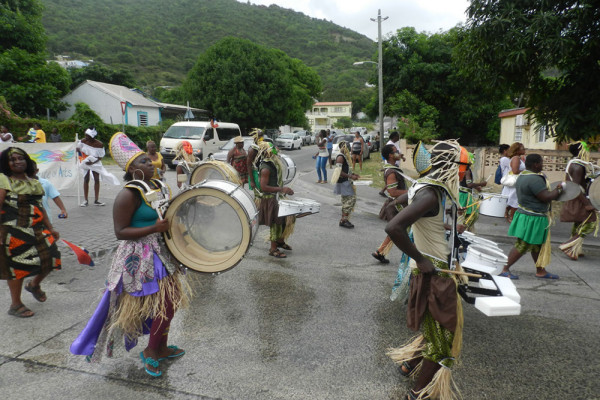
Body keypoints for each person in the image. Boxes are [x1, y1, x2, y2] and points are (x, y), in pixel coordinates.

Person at [70, 132, 190, 377]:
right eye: (144, 162)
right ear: (132, 168)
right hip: (140, 258)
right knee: (165, 303)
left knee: (171, 302)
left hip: (163, 254)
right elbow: (120, 232)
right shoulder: (128, 194)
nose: (151, 163)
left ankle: (161, 347)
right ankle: (151, 351)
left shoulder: (157, 185)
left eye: (150, 160)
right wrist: (154, 228)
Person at [384, 140, 466, 400]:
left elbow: (389, 208)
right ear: (451, 166)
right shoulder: (430, 193)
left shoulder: (425, 187)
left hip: (435, 268)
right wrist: (419, 257)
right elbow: (393, 226)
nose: (463, 173)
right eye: (461, 167)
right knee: (443, 341)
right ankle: (416, 395)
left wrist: (432, 228)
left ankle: (409, 364)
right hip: (435, 273)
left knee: (437, 329)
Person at [0, 147, 61, 318]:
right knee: (16, 268)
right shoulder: (3, 180)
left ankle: (33, 285)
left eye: (21, 158)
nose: (18, 162)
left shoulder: (34, 182)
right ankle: (15, 304)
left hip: (36, 229)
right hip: (13, 231)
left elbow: (39, 207)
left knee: (51, 257)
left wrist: (50, 228)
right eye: (13, 159)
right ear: (6, 163)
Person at [499, 154, 563, 280]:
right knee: (523, 244)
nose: (543, 165)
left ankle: (541, 271)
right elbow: (546, 197)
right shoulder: (534, 179)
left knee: (536, 244)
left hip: (527, 215)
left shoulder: (523, 175)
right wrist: (559, 190)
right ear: (536, 164)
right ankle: (504, 269)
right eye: (541, 163)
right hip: (532, 217)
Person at [256, 141, 295, 258]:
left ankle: (280, 241)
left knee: (289, 218)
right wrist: (282, 189)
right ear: (268, 152)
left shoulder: (272, 162)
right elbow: (263, 187)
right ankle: (273, 249)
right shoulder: (266, 168)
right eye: (273, 149)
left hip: (277, 196)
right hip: (270, 199)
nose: (276, 150)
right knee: (276, 223)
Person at [558, 142, 598, 260]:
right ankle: (568, 246)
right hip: (578, 197)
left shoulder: (575, 163)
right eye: (586, 149)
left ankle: (575, 249)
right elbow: (575, 187)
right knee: (591, 222)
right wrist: (587, 204)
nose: (588, 152)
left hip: (577, 196)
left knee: (580, 222)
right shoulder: (577, 166)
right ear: (581, 150)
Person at [372, 144, 407, 263]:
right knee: (400, 230)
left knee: (397, 230)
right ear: (391, 155)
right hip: (396, 206)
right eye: (396, 151)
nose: (399, 152)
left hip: (398, 204)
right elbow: (392, 192)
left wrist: (400, 156)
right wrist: (412, 191)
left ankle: (380, 252)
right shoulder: (391, 172)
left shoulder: (392, 167)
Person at [78, 127, 120, 206]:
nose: (86, 137)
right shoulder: (83, 141)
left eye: (88, 136)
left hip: (95, 162)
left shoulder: (99, 144)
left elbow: (100, 157)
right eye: (85, 135)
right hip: (86, 162)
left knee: (96, 179)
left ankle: (96, 200)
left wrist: (93, 162)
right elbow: (79, 150)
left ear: (92, 136)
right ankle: (85, 200)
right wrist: (78, 150)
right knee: (86, 179)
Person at [332, 140, 360, 228]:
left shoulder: (344, 156)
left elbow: (345, 169)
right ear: (344, 148)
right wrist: (350, 176)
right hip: (343, 182)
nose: (349, 149)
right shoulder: (340, 157)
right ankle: (344, 220)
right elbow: (339, 172)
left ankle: (344, 219)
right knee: (350, 200)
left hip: (346, 181)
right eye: (347, 147)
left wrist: (352, 174)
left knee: (347, 201)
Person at [458, 156, 487, 232]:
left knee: (462, 214)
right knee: (466, 215)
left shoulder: (462, 169)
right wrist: (481, 184)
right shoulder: (467, 170)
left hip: (462, 194)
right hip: (465, 196)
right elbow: (469, 185)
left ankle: (463, 229)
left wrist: (477, 187)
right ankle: (463, 230)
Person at [502, 142, 526, 222]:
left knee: (512, 199)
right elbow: (515, 171)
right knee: (515, 200)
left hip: (516, 181)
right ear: (517, 150)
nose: (524, 150)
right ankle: (511, 217)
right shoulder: (516, 158)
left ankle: (506, 213)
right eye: (522, 148)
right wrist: (525, 171)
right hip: (516, 182)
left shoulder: (517, 158)